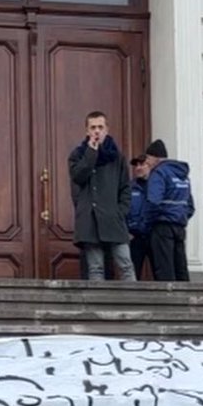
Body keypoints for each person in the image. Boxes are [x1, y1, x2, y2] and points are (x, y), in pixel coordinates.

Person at [68, 111, 135, 282]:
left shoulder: (117, 156)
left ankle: (134, 297)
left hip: (113, 219)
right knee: (96, 268)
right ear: (87, 131)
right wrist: (91, 153)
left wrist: (120, 211)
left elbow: (125, 187)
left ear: (107, 129)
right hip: (90, 220)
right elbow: (78, 177)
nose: (97, 131)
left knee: (126, 265)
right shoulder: (78, 155)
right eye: (93, 128)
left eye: (100, 127)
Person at [140, 139, 194, 282]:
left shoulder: (159, 173)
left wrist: (147, 224)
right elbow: (190, 206)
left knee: (165, 269)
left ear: (155, 158)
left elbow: (153, 202)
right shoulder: (182, 175)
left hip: (162, 227)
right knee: (180, 268)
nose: (147, 162)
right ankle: (185, 295)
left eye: (148, 158)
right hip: (179, 227)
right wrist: (180, 216)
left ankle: (168, 297)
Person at [127, 153, 150, 279]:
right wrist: (126, 231)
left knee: (160, 272)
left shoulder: (158, 186)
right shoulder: (129, 188)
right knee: (132, 274)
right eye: (136, 165)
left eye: (142, 164)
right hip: (134, 236)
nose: (138, 168)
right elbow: (122, 210)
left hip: (154, 235)